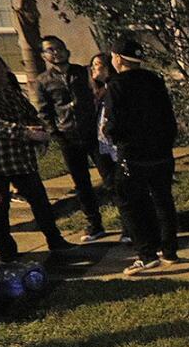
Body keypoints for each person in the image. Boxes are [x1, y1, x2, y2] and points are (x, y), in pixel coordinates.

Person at [0, 48, 74, 261]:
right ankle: (7, 252)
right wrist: (24, 132)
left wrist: (39, 130)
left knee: (40, 201)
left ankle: (55, 240)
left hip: (20, 158)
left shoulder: (7, 89)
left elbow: (29, 112)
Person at [102, 37, 181, 275]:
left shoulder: (117, 85)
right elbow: (168, 118)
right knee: (163, 200)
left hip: (134, 155)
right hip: (161, 153)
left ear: (117, 58)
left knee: (130, 204)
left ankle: (146, 254)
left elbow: (114, 121)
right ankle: (169, 250)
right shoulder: (155, 80)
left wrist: (110, 134)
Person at [33, 35, 107, 242]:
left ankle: (129, 226)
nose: (55, 52)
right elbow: (44, 110)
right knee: (82, 182)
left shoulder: (82, 72)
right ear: (44, 55)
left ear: (66, 49)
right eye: (50, 50)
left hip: (93, 132)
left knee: (109, 176)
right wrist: (55, 133)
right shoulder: (43, 81)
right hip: (69, 135)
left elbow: (100, 91)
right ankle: (94, 223)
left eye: (59, 48)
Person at [90, 52, 133, 245]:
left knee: (126, 187)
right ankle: (128, 227)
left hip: (119, 145)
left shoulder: (116, 88)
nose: (94, 69)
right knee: (113, 187)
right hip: (103, 146)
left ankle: (131, 229)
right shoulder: (96, 92)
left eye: (98, 65)